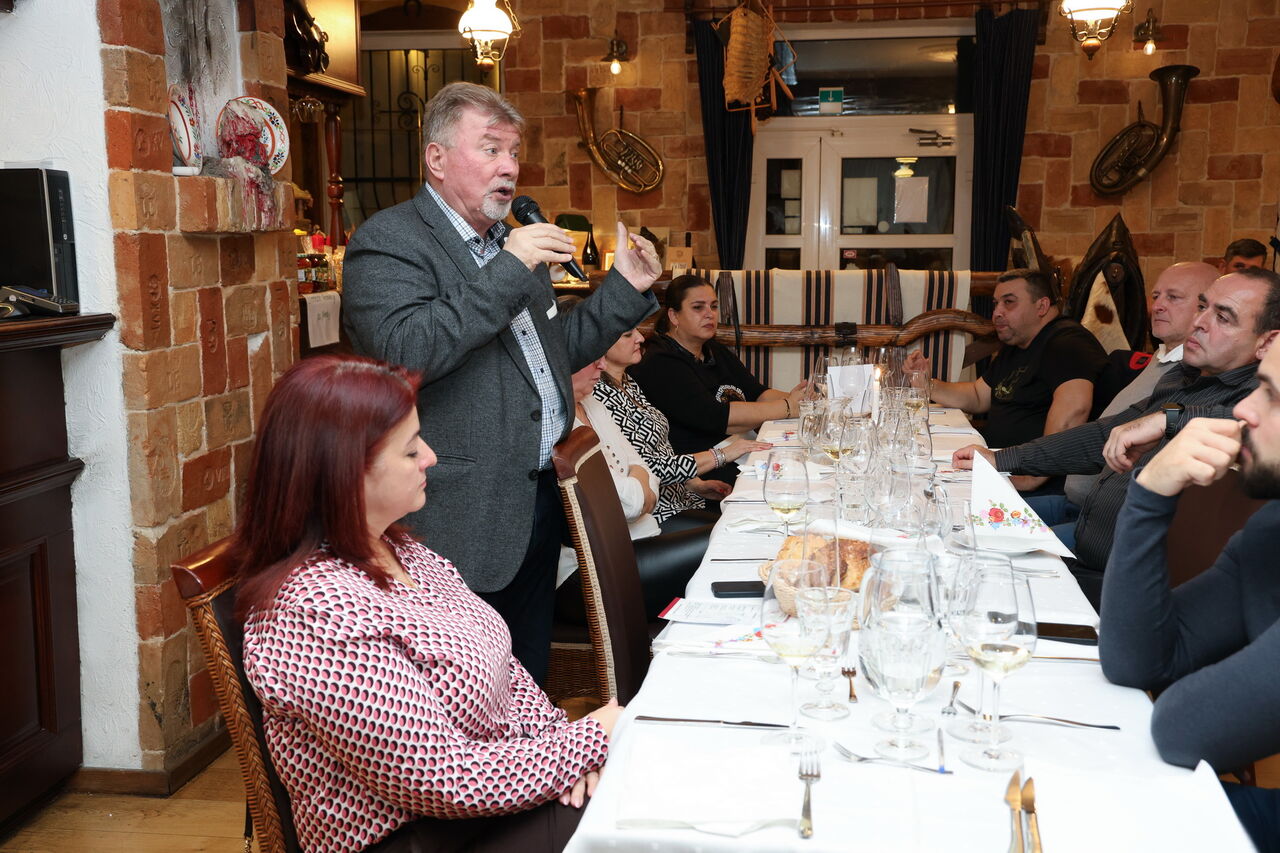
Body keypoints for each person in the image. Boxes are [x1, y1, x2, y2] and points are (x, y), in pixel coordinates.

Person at [235, 355, 623, 853]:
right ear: (343, 472)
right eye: (411, 449)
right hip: (414, 837)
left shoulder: (401, 550)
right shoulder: (313, 613)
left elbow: (507, 673)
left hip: (491, 804)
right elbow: (443, 780)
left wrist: (570, 754)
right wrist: (590, 741)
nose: (432, 458)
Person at [341, 82, 660, 684]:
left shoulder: (506, 243)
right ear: (437, 159)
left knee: (527, 680)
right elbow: (404, 351)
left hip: (536, 501)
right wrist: (511, 266)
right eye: (490, 149)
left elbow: (552, 353)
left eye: (513, 152)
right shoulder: (389, 241)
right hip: (454, 513)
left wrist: (625, 288)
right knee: (464, 691)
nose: (509, 167)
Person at [954, 268, 1280, 598]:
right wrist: (1002, 459)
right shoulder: (1184, 376)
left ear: (1267, 342)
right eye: (1202, 307)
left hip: (1126, 580)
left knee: (974, 577)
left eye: (1222, 317)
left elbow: (1240, 422)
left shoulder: (1257, 399)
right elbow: (1103, 434)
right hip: (1087, 546)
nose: (1199, 322)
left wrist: (1169, 419)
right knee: (962, 539)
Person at [1099, 342, 1280, 853]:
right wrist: (1150, 493)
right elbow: (1136, 660)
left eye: (1271, 395)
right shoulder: (1272, 531)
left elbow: (1182, 730)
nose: (1243, 411)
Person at [1037, 261, 1219, 545]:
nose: (1157, 306)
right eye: (1156, 296)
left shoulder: (1194, 372)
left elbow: (1200, 419)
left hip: (1106, 527)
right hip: (1076, 504)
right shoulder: (1164, 357)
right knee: (976, 515)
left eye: (1173, 297)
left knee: (994, 545)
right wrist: (1006, 459)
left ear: (1206, 309)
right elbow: (1105, 430)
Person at [905, 268, 1107, 493]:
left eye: (1009, 302)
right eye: (996, 304)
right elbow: (978, 396)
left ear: (1041, 306)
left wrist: (1030, 477)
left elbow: (1074, 412)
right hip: (1003, 467)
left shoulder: (1068, 343)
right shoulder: (1018, 344)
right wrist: (926, 383)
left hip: (1042, 486)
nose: (997, 313)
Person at [556, 357, 712, 621]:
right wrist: (640, 487)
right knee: (721, 541)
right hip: (594, 565)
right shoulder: (555, 423)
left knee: (730, 535)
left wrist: (638, 485)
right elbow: (626, 505)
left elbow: (643, 467)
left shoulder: (592, 403)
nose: (601, 365)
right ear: (563, 362)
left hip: (642, 535)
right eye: (591, 359)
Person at [629, 275, 806, 485]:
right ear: (674, 316)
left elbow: (757, 392)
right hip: (701, 471)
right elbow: (718, 417)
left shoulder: (714, 349)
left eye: (713, 306)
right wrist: (788, 407)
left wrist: (805, 401)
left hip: (740, 452)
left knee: (800, 464)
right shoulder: (661, 361)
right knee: (788, 482)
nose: (709, 314)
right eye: (698, 307)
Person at [594, 325, 771, 529]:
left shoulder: (627, 381)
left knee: (756, 508)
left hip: (681, 498)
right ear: (601, 344)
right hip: (657, 513)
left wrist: (695, 484)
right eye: (628, 335)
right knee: (747, 525)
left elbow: (658, 450)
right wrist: (722, 455)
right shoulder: (600, 396)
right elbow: (649, 467)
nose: (640, 338)